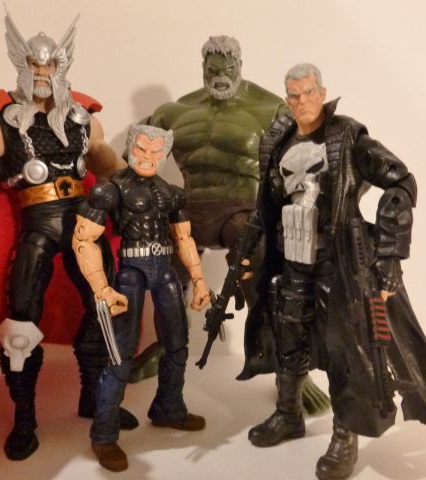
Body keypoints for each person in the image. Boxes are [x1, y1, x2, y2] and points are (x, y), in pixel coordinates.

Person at [0, 12, 134, 461]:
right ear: (20, 62)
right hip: (38, 225)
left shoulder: (83, 119)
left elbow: (112, 168)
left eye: (51, 64)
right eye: (35, 64)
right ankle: (25, 418)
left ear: (63, 65)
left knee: (102, 309)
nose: (43, 73)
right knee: (20, 327)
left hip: (85, 222)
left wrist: (149, 201)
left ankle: (95, 397)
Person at [242, 63, 426, 480]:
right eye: (293, 95)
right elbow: (265, 204)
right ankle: (288, 413)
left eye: (308, 92)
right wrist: (250, 251)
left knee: (345, 351)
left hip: (337, 263)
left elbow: (401, 182)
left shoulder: (346, 137)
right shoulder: (278, 141)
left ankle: (345, 434)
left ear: (322, 93)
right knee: (288, 336)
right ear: (286, 100)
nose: (302, 101)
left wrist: (389, 252)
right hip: (290, 259)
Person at [136, 35, 329, 415]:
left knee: (265, 279)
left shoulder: (270, 108)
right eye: (213, 69)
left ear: (239, 66)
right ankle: (167, 345)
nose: (220, 75)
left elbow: (307, 163)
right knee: (164, 275)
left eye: (227, 68)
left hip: (244, 211)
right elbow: (136, 160)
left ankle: (291, 370)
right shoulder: (172, 112)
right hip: (189, 209)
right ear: (202, 68)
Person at [73, 124, 211, 472]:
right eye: (141, 149)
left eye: (155, 152)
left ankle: (169, 408)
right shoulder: (111, 188)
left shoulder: (171, 194)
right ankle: (104, 435)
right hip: (131, 271)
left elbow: (184, 239)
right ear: (130, 148)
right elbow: (83, 239)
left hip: (164, 269)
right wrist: (102, 288)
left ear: (164, 155)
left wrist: (199, 280)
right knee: (120, 356)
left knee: (178, 345)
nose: (148, 157)